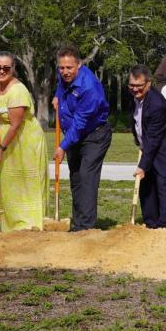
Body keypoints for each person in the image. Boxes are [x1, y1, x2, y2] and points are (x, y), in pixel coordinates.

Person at [52, 45, 111, 231]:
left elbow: (80, 123)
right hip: (74, 135)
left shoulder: (89, 87)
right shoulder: (63, 77)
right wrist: (56, 97)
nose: (65, 72)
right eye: (61, 68)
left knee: (86, 177)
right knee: (76, 178)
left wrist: (62, 147)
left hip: (94, 135)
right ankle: (78, 225)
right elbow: (61, 89)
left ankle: (86, 229)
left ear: (78, 65)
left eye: (69, 68)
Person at [0, 52, 45, 231]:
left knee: (25, 182)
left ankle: (29, 225)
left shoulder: (18, 91)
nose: (1, 71)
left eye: (6, 68)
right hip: (9, 136)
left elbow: (15, 124)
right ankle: (10, 225)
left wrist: (1, 148)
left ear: (13, 68)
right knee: (9, 181)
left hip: (24, 140)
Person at [128, 65, 166, 229]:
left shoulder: (156, 105)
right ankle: (150, 224)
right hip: (150, 148)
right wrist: (138, 141)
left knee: (162, 189)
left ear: (148, 84)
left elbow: (153, 140)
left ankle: (165, 227)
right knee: (146, 188)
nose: (135, 89)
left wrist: (142, 166)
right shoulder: (135, 98)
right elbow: (136, 121)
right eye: (132, 85)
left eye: (139, 86)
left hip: (165, 152)